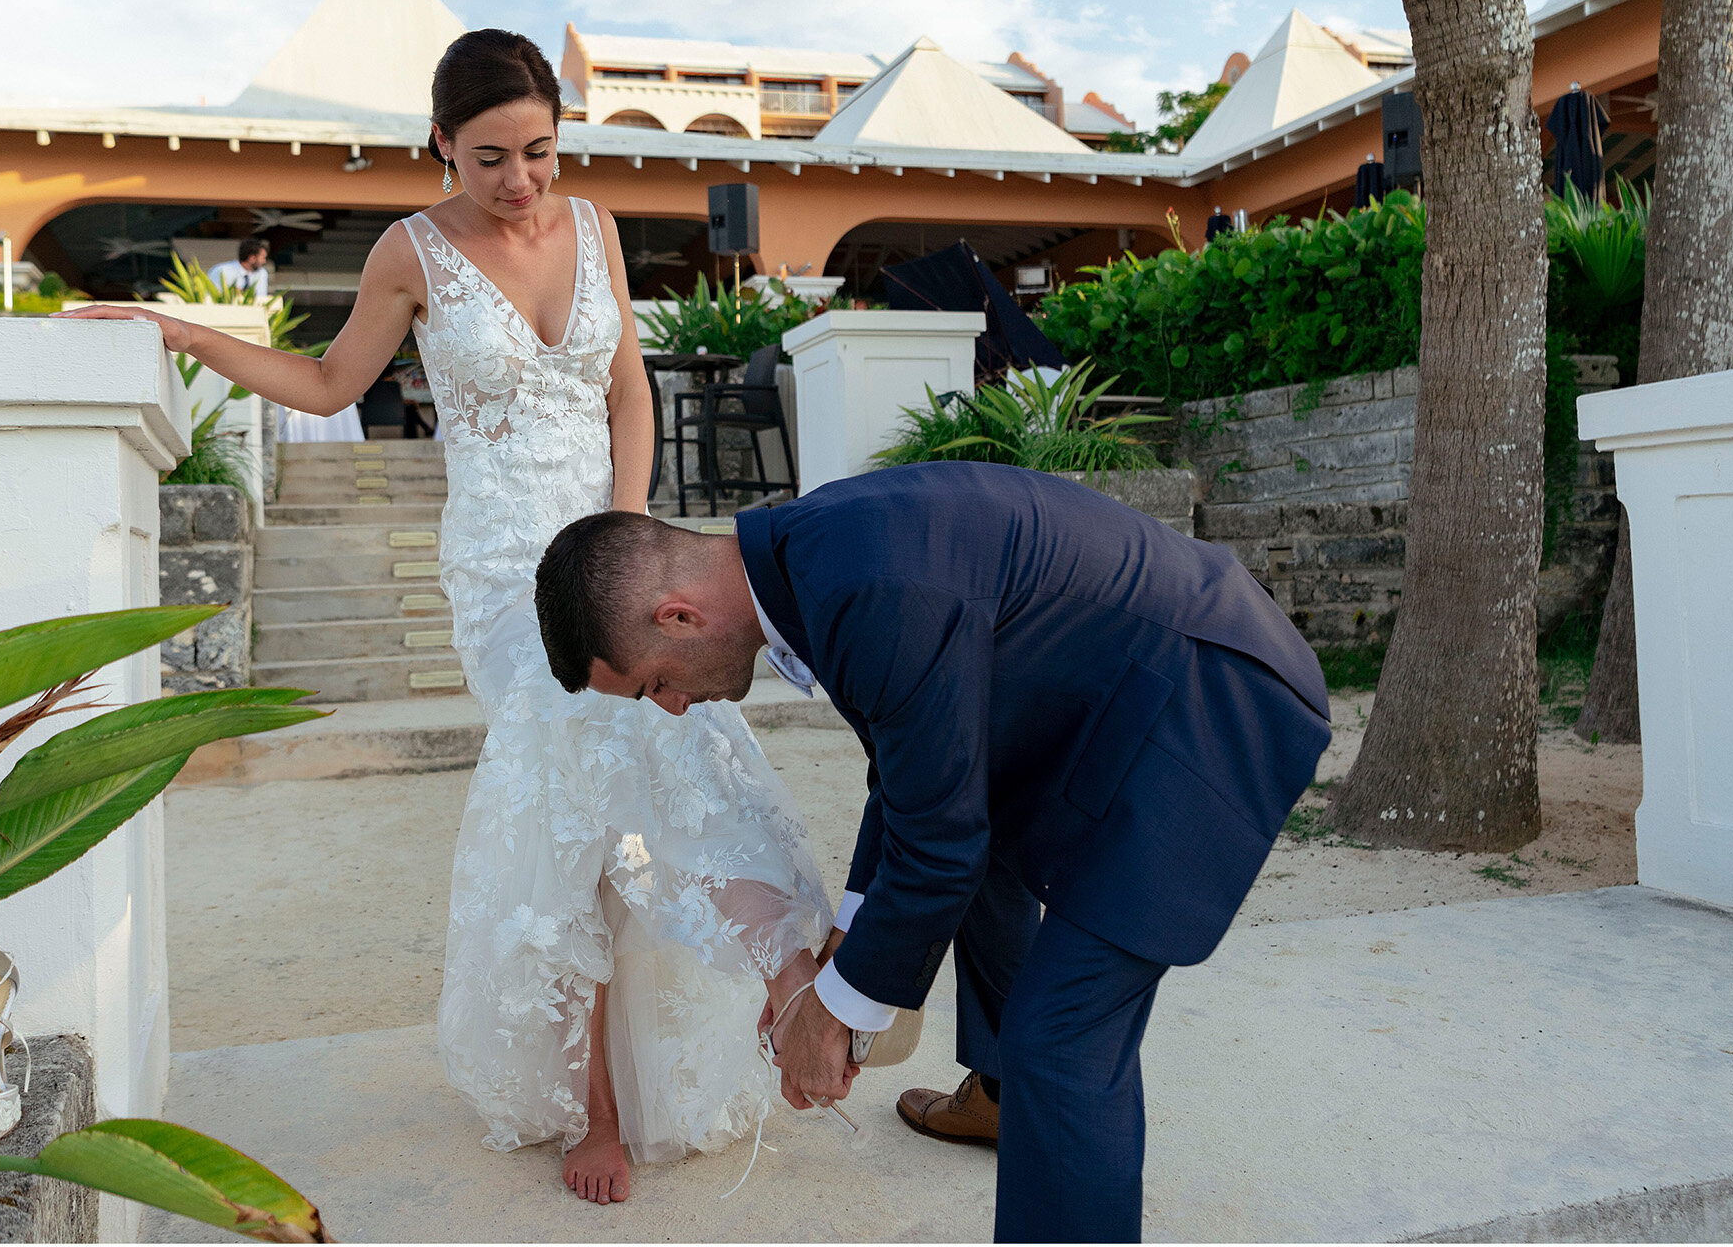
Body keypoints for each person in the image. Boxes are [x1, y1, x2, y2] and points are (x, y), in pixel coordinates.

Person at [62, 29, 833, 1207]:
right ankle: (597, 1108)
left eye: (537, 150)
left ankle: (770, 1000)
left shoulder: (594, 230)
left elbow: (627, 388)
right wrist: (176, 332)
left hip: (603, 547)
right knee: (574, 811)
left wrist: (620, 535)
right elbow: (327, 385)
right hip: (498, 571)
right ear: (441, 147)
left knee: (675, 764)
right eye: (489, 159)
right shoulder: (408, 250)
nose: (520, 179)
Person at [531, 462, 1332, 1243]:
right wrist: (844, 947)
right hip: (1127, 688)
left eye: (651, 686)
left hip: (1206, 703)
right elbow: (909, 777)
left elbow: (940, 844)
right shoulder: (805, 561)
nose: (671, 709)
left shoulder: (867, 589)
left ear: (677, 617)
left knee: (1059, 1042)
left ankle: (1028, 1094)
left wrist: (835, 1015)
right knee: (980, 855)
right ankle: (1000, 1095)